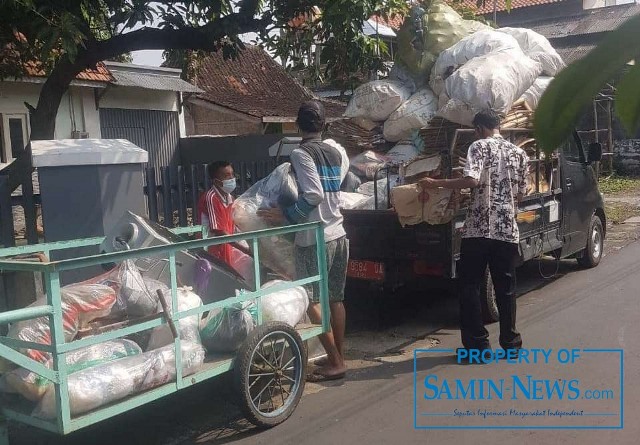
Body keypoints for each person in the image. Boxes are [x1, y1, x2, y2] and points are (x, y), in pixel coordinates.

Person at [420, 110, 528, 356]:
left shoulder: (478, 146)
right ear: (498, 126)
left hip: (479, 229)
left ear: (479, 128)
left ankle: (478, 346)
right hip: (507, 230)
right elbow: (521, 193)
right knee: (506, 288)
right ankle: (511, 345)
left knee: (470, 286)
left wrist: (436, 184)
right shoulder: (519, 153)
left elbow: (471, 180)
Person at [259, 100, 348, 381]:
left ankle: (335, 360)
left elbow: (313, 195)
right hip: (339, 232)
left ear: (298, 125)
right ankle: (339, 357)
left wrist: (285, 216)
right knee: (335, 297)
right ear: (324, 124)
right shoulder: (334, 152)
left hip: (314, 236)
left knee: (309, 298)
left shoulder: (300, 154)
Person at [197, 161, 240, 265]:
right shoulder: (211, 198)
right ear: (216, 181)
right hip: (213, 253)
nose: (231, 178)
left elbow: (235, 226)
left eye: (232, 174)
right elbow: (219, 231)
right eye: (226, 176)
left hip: (228, 248)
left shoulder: (231, 199)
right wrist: (245, 249)